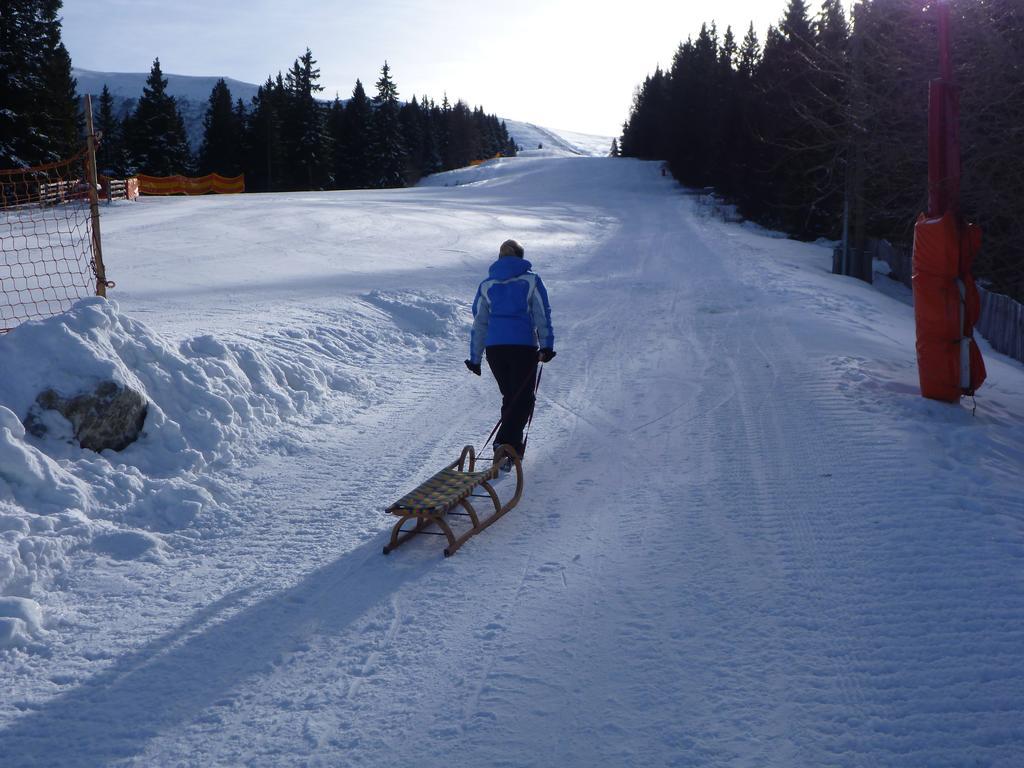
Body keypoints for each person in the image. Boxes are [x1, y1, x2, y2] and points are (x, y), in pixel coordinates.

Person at [465, 239, 555, 461]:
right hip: (522, 347)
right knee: (522, 399)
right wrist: (547, 346)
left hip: (495, 350)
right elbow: (542, 314)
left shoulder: (486, 285)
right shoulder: (531, 280)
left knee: (511, 397)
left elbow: (479, 323)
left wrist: (475, 358)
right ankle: (504, 444)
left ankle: (509, 447)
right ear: (521, 258)